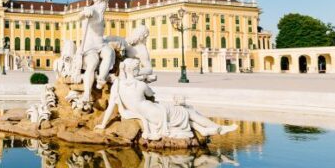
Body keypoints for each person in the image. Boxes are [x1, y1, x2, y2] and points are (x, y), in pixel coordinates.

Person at [96, 59, 237, 139]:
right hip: (155, 112)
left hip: (150, 114)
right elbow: (151, 94)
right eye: (138, 69)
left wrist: (103, 124)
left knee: (183, 114)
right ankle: (218, 127)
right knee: (188, 111)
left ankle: (204, 129)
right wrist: (145, 79)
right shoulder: (140, 84)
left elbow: (109, 109)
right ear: (134, 71)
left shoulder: (117, 85)